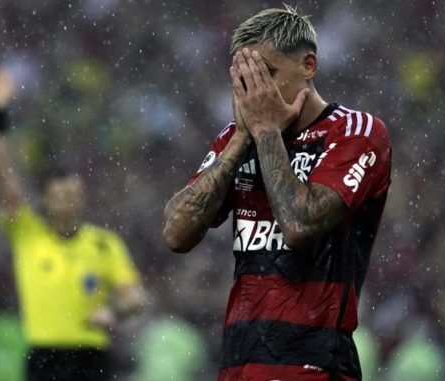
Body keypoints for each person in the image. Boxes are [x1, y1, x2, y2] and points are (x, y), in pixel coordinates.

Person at [162, 5, 391, 381]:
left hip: (314, 367)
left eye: (265, 75)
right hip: (238, 365)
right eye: (243, 80)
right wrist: (240, 138)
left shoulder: (357, 132)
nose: (253, 93)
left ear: (308, 66)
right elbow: (175, 232)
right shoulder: (236, 137)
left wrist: (266, 133)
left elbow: (299, 225)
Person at [0, 66, 146, 381]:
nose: (67, 200)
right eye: (59, 195)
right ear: (45, 200)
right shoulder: (28, 233)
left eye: (73, 193)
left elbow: (134, 296)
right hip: (45, 358)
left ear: (83, 198)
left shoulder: (104, 243)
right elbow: (4, 180)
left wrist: (116, 312)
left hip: (92, 359)